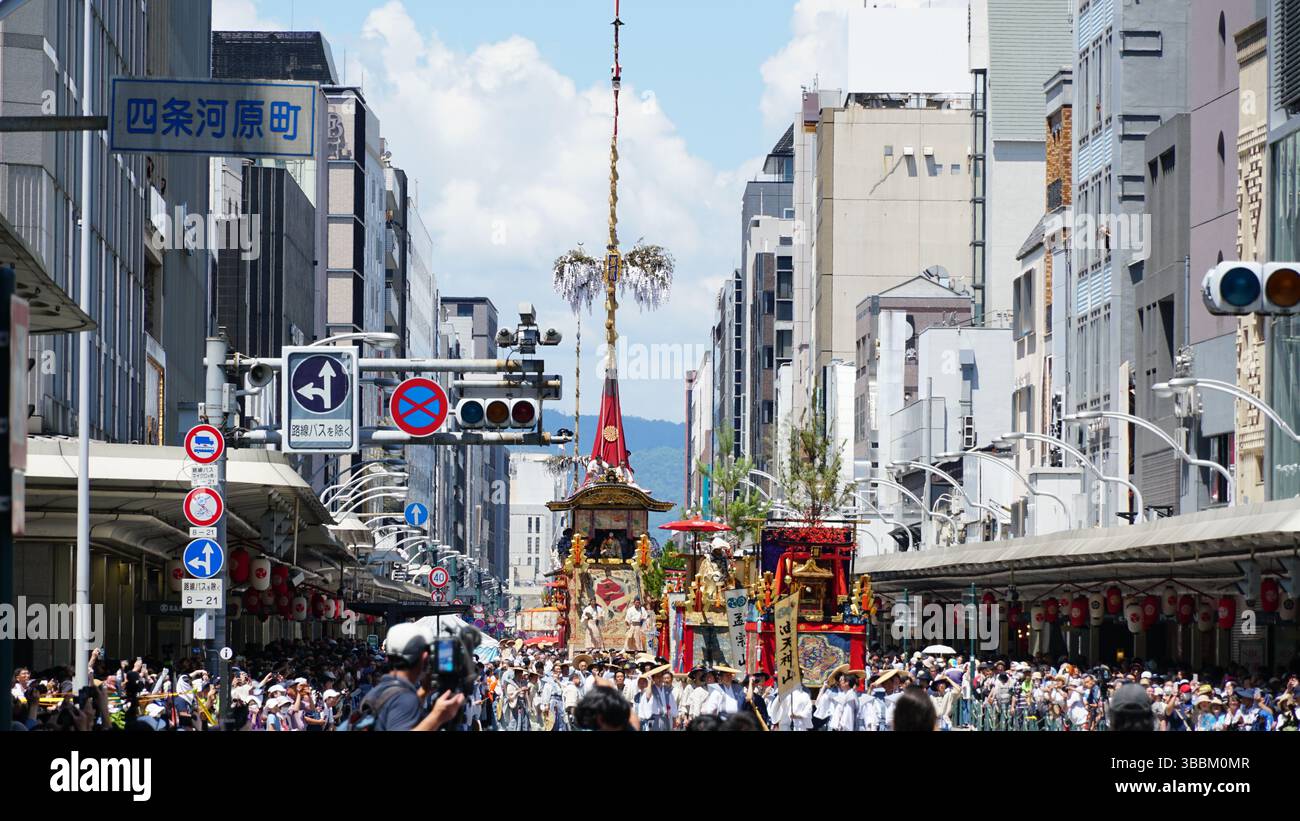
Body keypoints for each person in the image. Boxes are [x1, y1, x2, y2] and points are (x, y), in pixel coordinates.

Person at [362, 623, 465, 731]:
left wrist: (424, 691)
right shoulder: (404, 699)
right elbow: (403, 706)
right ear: (424, 658)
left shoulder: (383, 689)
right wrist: (437, 717)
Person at [636, 664, 677, 731]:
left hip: (666, 718)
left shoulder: (667, 690)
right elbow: (648, 697)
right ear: (653, 678)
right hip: (653, 720)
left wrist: (674, 719)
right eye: (657, 676)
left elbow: (673, 706)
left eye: (661, 676)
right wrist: (649, 682)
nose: (659, 679)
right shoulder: (650, 689)